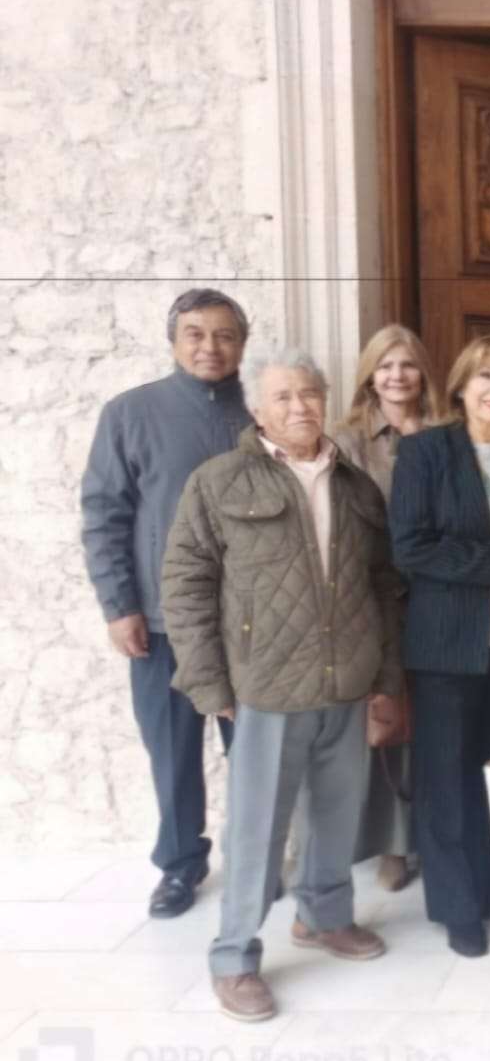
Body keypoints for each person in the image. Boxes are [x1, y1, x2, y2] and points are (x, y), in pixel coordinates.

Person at [161, 348, 403, 1022]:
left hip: (346, 683)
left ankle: (323, 917)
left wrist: (384, 676)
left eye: (310, 394)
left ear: (325, 400)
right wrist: (210, 683)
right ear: (257, 408)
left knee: (337, 812)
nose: (300, 406)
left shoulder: (356, 485)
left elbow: (383, 587)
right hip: (264, 687)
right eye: (284, 396)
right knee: (257, 829)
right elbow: (185, 584)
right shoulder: (218, 481)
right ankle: (234, 955)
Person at [81, 288, 255, 920]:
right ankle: (180, 864)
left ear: (242, 343)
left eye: (225, 335)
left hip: (253, 623)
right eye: (195, 334)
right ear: (174, 341)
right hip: (162, 622)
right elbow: (104, 513)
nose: (210, 347)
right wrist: (119, 605)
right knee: (173, 752)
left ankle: (254, 860)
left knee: (256, 750)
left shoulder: (263, 410)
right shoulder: (130, 413)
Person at [388, 335, 490, 959]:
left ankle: (483, 883)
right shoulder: (426, 452)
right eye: (485, 376)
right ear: (459, 385)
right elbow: (412, 547)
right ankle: (457, 907)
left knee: (488, 767)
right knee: (446, 777)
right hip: (447, 647)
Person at [326, 324, 444, 893]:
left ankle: (437, 835)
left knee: (437, 723)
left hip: (440, 597)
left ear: (423, 372)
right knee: (387, 720)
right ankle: (393, 844)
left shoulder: (447, 432)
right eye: (385, 366)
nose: (397, 376)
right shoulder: (346, 440)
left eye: (408, 364)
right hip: (378, 596)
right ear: (370, 376)